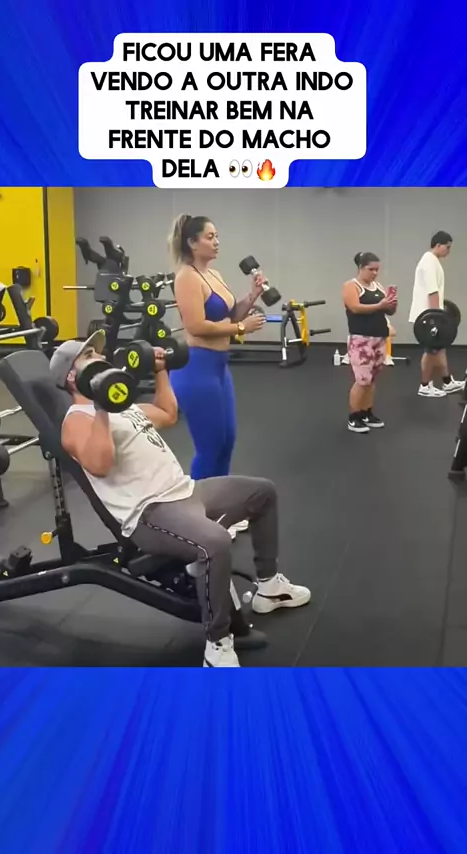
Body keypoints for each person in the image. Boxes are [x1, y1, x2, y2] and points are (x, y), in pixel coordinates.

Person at [49, 331, 311, 668]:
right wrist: (101, 406)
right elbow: (98, 464)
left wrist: (161, 370)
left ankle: (269, 587)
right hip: (150, 513)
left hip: (186, 491)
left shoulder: (123, 406)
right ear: (73, 377)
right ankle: (217, 645)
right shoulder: (76, 421)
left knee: (262, 492)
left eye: (97, 353)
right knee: (215, 542)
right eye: (89, 356)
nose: (100, 357)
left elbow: (167, 413)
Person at [167, 214, 267, 540]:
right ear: (192, 242)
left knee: (226, 442)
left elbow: (230, 314)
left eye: (217, 236)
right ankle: (196, 519)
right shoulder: (186, 277)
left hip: (219, 367)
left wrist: (251, 297)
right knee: (209, 448)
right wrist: (240, 328)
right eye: (210, 237)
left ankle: (220, 511)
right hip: (196, 368)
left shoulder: (214, 275)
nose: (216, 242)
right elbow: (196, 326)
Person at [342, 252, 398, 433]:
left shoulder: (378, 287)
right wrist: (380, 305)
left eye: (377, 270)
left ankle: (366, 413)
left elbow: (388, 312)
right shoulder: (351, 286)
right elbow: (355, 308)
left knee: (372, 380)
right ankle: (354, 417)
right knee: (362, 381)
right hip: (361, 340)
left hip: (379, 338)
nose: (375, 273)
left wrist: (391, 305)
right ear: (361, 267)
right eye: (371, 269)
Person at [408, 231, 464, 398]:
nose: (449, 251)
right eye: (447, 247)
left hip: (431, 314)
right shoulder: (429, 262)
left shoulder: (432, 261)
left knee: (439, 349)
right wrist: (436, 319)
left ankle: (447, 382)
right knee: (432, 352)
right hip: (428, 317)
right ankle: (425, 386)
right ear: (438, 245)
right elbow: (432, 292)